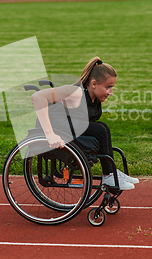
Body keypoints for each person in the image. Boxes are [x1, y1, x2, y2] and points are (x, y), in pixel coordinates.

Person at [31, 57, 139, 190]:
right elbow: (37, 97)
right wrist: (49, 134)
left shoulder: (95, 98)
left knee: (102, 127)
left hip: (68, 125)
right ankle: (109, 175)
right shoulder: (76, 92)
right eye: (108, 87)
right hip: (55, 124)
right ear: (94, 84)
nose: (111, 93)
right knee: (101, 129)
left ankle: (111, 172)